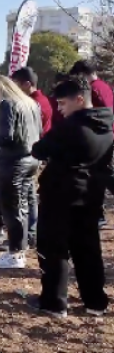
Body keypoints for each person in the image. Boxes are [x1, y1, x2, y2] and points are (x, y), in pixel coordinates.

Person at [29, 76, 112, 318]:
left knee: (54, 250)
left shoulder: (70, 127)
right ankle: (95, 302)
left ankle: (54, 303)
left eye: (63, 103)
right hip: (91, 197)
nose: (60, 109)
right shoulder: (107, 128)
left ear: (79, 100)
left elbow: (38, 149)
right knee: (88, 250)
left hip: (59, 197)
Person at [0, 75, 42, 267]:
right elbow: (39, 131)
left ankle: (16, 253)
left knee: (12, 208)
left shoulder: (7, 105)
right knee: (24, 204)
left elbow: (6, 137)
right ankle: (22, 245)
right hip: (31, 159)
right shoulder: (30, 103)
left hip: (12, 162)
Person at [69, 59, 114, 228]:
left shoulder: (93, 90)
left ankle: (98, 214)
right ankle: (98, 214)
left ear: (82, 74)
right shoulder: (104, 86)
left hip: (101, 137)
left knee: (104, 175)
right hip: (105, 136)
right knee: (98, 177)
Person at [11, 67, 53, 136]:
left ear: (27, 85)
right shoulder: (44, 99)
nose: (13, 89)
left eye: (15, 86)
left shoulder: (32, 104)